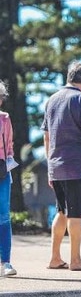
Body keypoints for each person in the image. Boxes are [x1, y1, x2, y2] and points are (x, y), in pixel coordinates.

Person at [43, 61, 81, 272]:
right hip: (77, 166)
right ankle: (76, 260)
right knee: (76, 214)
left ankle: (54, 257)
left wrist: (50, 165)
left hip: (57, 165)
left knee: (62, 212)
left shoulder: (52, 100)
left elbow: (47, 136)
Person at [0, 81, 17, 276]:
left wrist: (9, 161)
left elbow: (10, 146)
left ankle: (6, 262)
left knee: (3, 216)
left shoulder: (5, 119)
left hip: (2, 171)